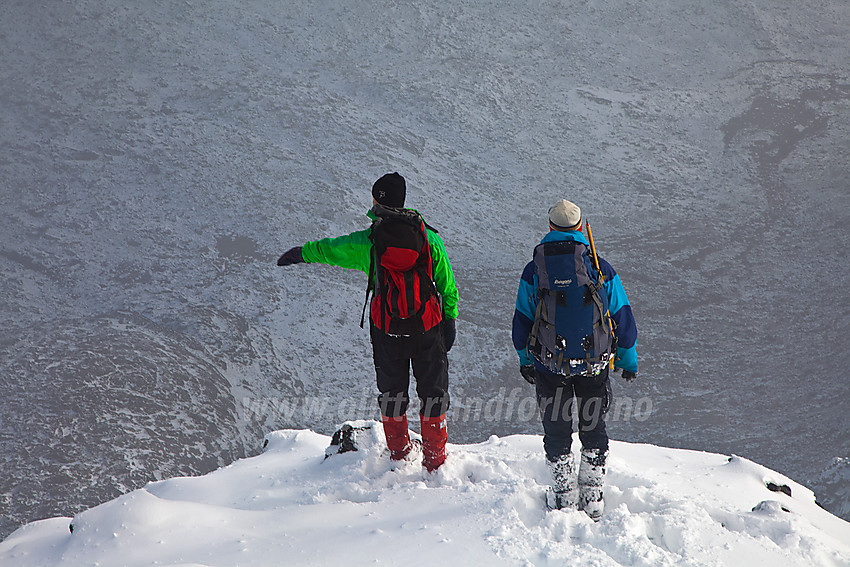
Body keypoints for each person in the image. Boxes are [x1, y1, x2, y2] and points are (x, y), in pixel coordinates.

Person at [276, 172, 459, 472]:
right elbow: (447, 285)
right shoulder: (429, 240)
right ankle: (435, 460)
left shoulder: (368, 242)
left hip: (387, 329)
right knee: (433, 392)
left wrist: (302, 254)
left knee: (392, 391)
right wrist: (449, 320)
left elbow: (332, 249)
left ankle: (399, 452)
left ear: (377, 201)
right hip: (427, 328)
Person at [512, 199, 638, 519]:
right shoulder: (599, 266)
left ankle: (563, 495)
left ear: (550, 227)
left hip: (548, 363)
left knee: (556, 427)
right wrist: (627, 359)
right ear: (581, 227)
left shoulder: (534, 269)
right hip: (592, 360)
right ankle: (593, 496)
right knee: (593, 422)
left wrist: (527, 359)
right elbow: (621, 316)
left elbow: (523, 320)